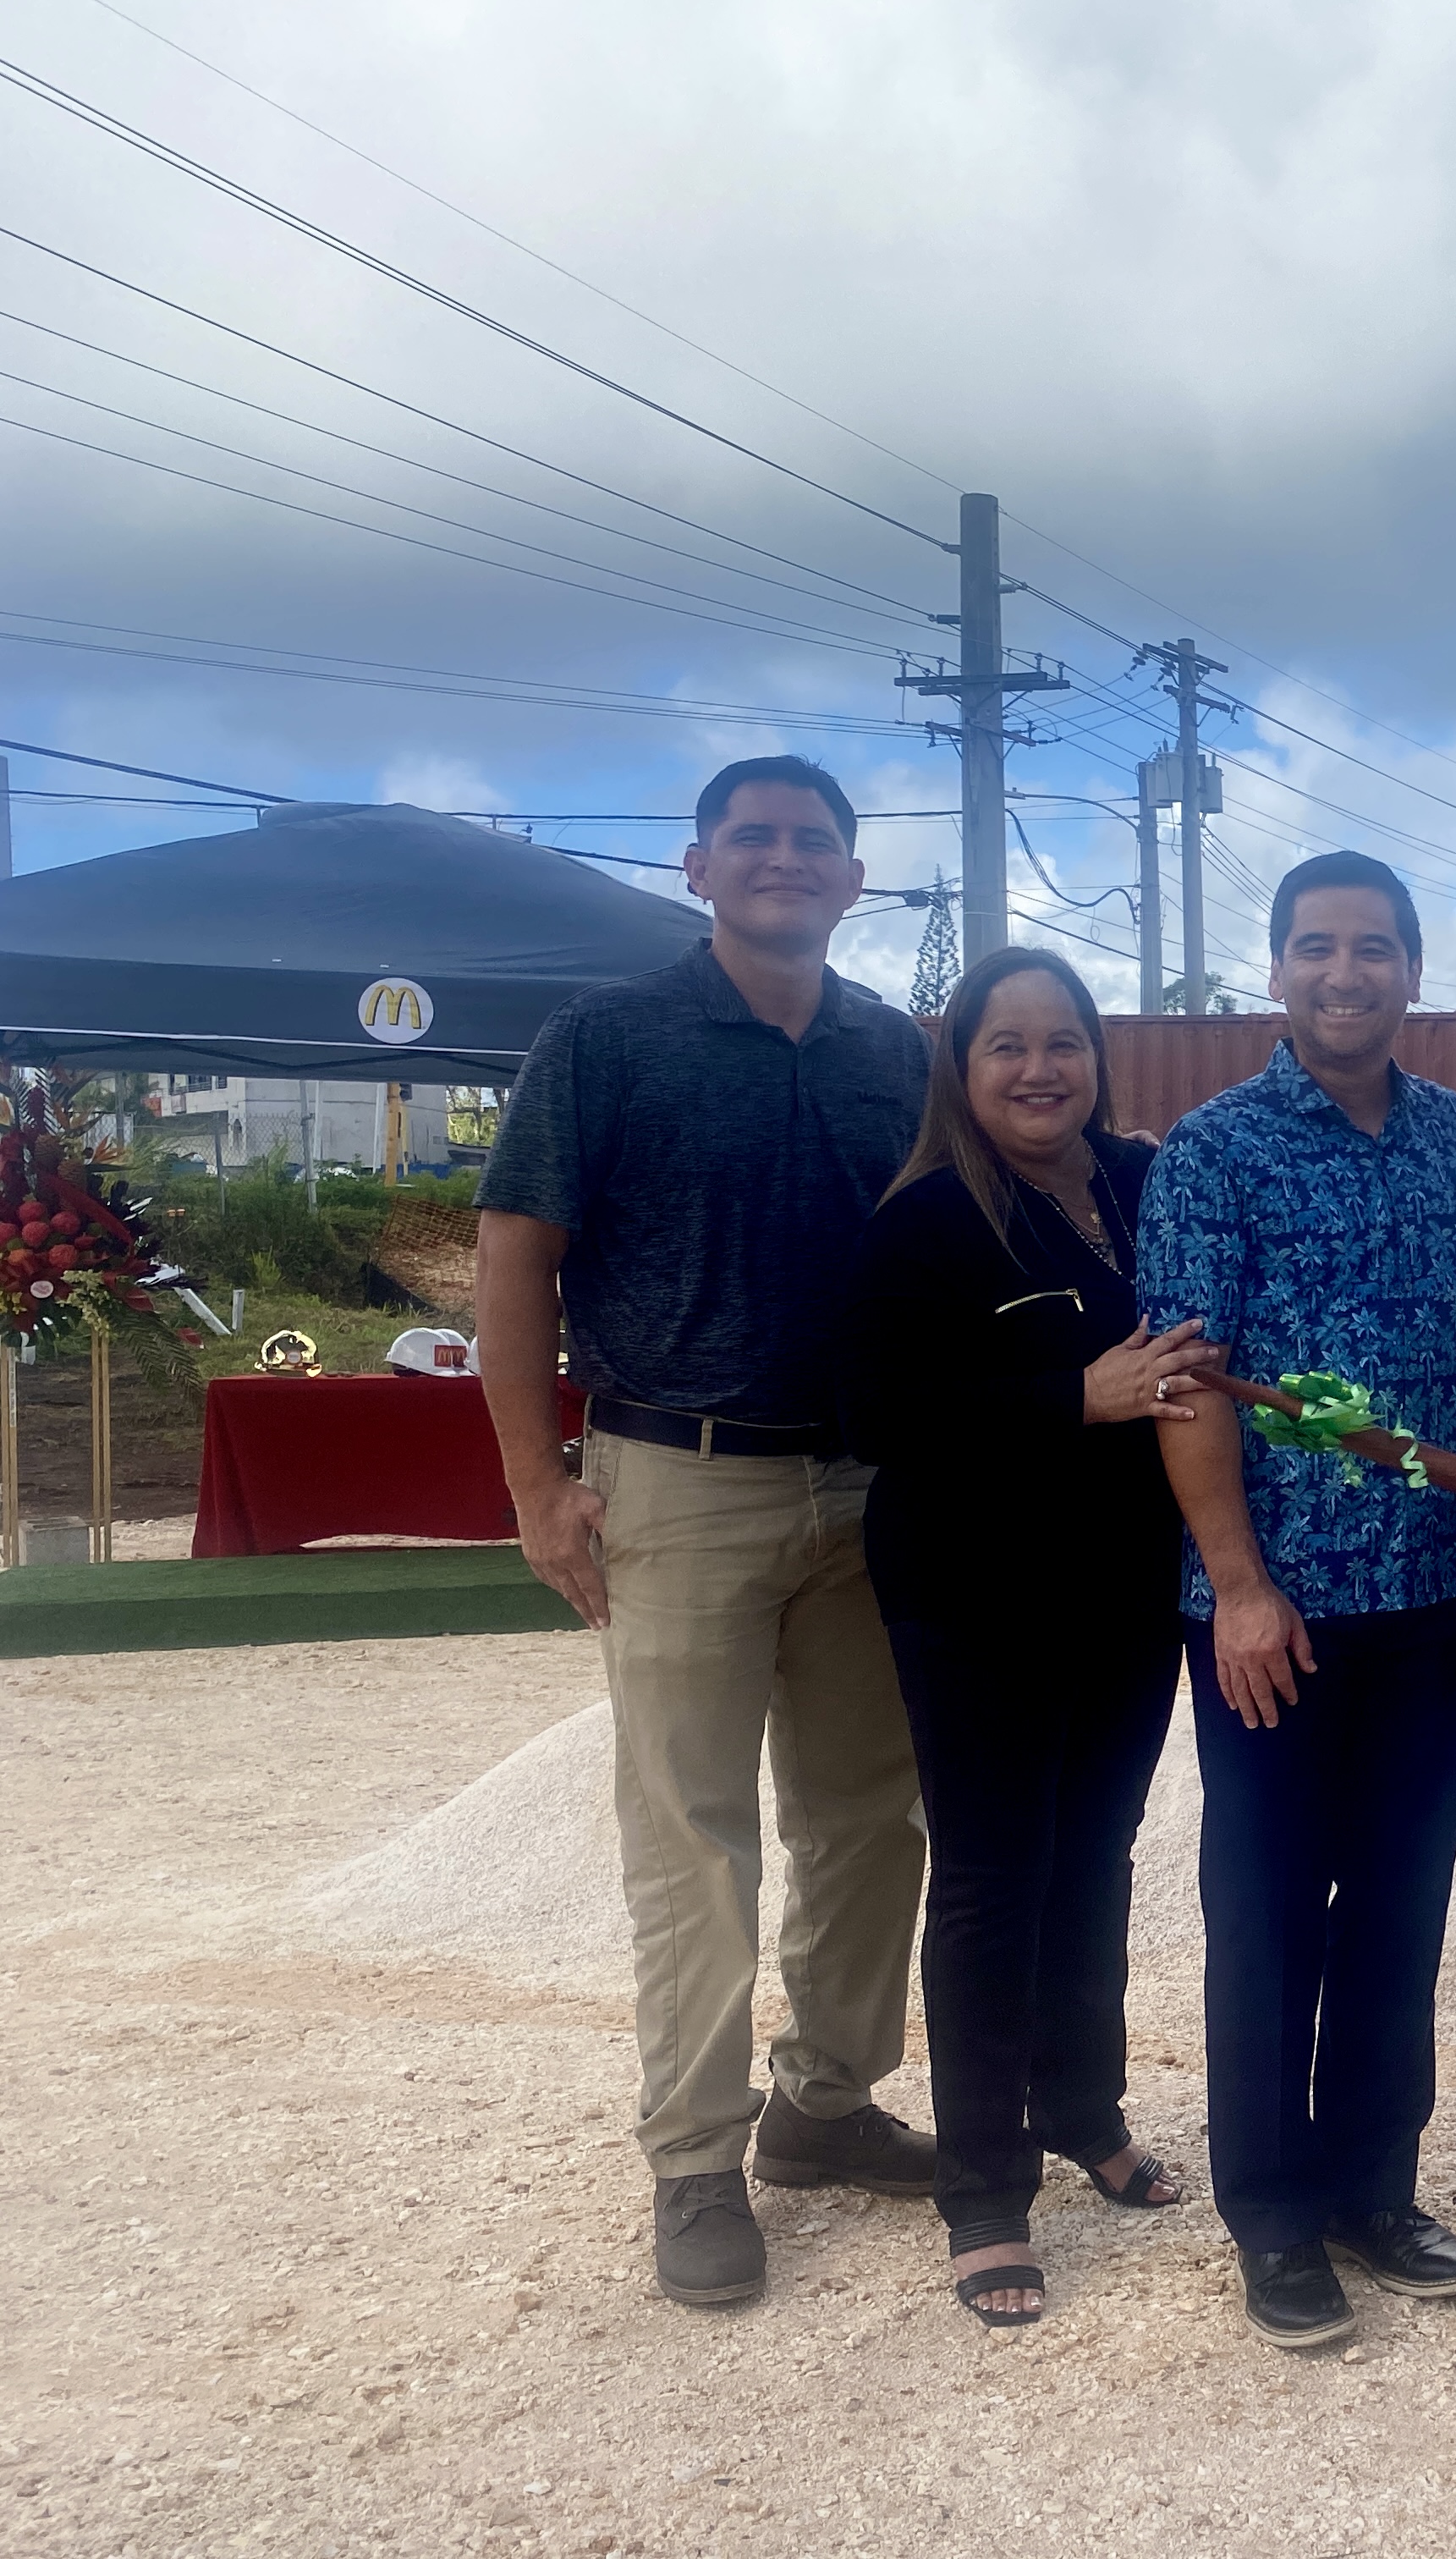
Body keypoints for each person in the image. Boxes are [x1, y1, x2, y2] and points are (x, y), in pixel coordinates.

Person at [475, 754, 937, 2308]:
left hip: (871, 1487)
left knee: (871, 1821)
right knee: (692, 1835)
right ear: (697, 866)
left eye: (815, 843)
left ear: (855, 882)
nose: (785, 860)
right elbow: (514, 1269)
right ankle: (693, 2160)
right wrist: (541, 1485)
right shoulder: (603, 1042)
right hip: (679, 1478)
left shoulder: (897, 1051)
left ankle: (824, 2102)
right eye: (755, 839)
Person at [1135, 850, 1456, 2353]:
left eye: (1372, 948)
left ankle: (1373, 2184)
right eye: (1315, 947)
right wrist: (1237, 1584)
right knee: (1271, 1910)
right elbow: (1185, 1383)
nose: (1343, 972)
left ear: (1412, 970)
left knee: (1402, 1910)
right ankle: (1273, 2217)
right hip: (1274, 1607)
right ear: (1275, 971)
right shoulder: (1212, 1153)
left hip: (1438, 1591)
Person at [842, 948, 1217, 2326]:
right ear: (962, 1066)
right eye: (1007, 1045)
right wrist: (1076, 1397)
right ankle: (985, 2189)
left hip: (1124, 1583)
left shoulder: (1136, 1180)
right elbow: (878, 1417)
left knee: (1096, 1858)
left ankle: (1081, 2105)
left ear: (1098, 1059)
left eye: (1064, 1042)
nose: (1040, 1068)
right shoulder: (926, 1219)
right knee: (996, 1878)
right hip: (976, 1591)